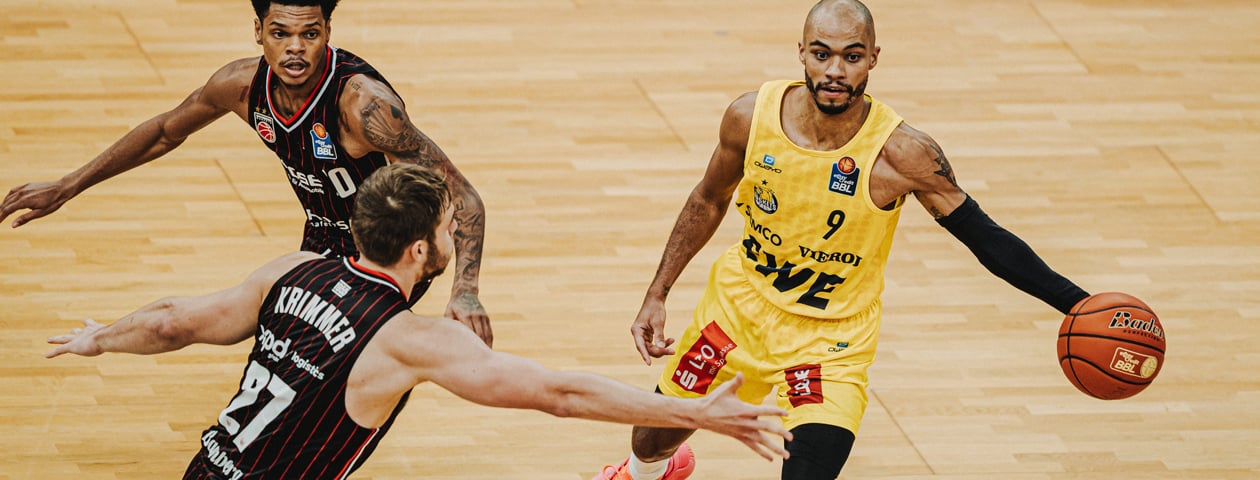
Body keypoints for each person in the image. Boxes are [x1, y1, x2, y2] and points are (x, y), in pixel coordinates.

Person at [591, 1, 1093, 479]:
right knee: (648, 443)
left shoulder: (903, 154)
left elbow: (986, 239)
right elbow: (708, 199)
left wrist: (1077, 305)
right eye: (822, 53)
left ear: (872, 59)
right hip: (736, 314)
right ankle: (650, 473)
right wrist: (657, 294)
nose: (835, 70)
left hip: (831, 343)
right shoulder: (750, 117)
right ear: (802, 52)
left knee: (810, 468)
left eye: (852, 57)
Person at [45, 162, 794, 479]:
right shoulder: (408, 341)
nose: (452, 238)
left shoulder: (291, 269)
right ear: (418, 250)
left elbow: (176, 321)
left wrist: (98, 338)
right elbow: (560, 394)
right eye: (445, 228)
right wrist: (696, 412)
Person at [0, 0, 493, 345]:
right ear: (258, 31)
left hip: (388, 254)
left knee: (322, 368)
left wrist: (465, 292)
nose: (295, 48)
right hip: (321, 241)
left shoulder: (364, 107)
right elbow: (165, 131)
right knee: (283, 353)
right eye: (280, 33)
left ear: (327, 33)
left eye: (310, 33)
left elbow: (465, 197)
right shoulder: (241, 87)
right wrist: (69, 185)